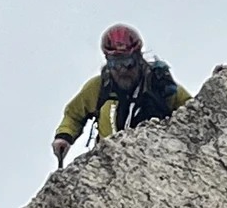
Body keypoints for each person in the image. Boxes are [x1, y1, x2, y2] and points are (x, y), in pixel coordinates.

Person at [52, 25, 191, 165]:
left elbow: (192, 111)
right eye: (115, 64)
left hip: (155, 163)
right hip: (108, 164)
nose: (122, 70)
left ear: (138, 58)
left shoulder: (161, 86)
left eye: (128, 63)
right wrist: (64, 136)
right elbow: (74, 114)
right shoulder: (99, 87)